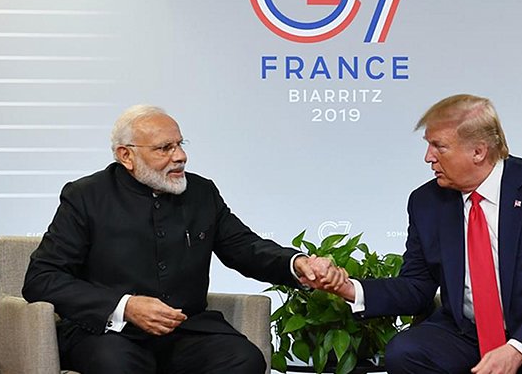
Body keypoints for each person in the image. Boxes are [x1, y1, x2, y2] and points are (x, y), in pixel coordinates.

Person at [22, 105, 345, 374]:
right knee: (116, 365)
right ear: (126, 155)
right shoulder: (86, 196)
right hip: (109, 332)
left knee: (243, 360)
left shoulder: (202, 193)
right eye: (165, 148)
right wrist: (126, 306)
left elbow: (245, 247)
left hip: (186, 330)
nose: (180, 157)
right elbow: (42, 278)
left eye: (180, 144)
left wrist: (297, 264)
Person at [321, 94, 522, 374]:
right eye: (428, 145)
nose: (428, 157)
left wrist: (518, 347)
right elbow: (417, 286)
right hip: (470, 332)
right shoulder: (426, 202)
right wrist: (350, 289)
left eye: (439, 146)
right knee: (405, 352)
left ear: (478, 151)